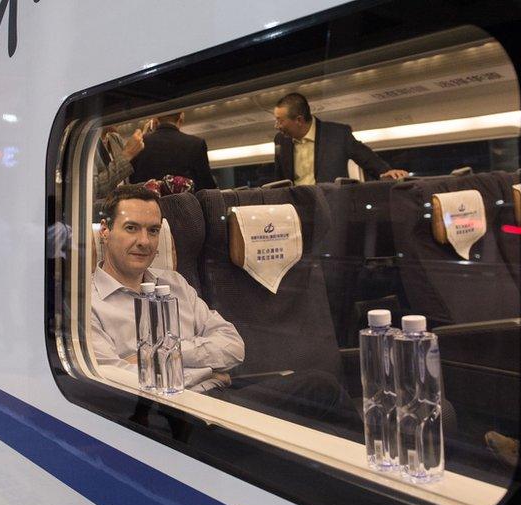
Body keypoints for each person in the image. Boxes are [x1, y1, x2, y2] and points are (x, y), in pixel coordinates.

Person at [90, 185, 361, 436]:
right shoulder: (89, 302)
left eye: (152, 230)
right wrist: (203, 367)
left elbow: (233, 346)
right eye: (131, 228)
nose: (144, 241)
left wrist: (161, 355)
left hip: (219, 398)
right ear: (105, 230)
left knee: (320, 386)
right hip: (171, 418)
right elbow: (117, 382)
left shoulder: (174, 283)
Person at [272, 92, 409, 184]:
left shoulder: (337, 135)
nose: (276, 126)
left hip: (331, 208)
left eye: (280, 120)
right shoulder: (281, 140)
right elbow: (280, 179)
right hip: (297, 209)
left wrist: (386, 172)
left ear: (299, 120)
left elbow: (366, 157)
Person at [130, 112, 217, 190]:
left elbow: (132, 181)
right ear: (181, 117)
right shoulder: (196, 143)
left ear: (155, 119)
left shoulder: (139, 144)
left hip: (147, 205)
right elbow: (206, 184)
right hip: (183, 205)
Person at [93, 126, 145, 199]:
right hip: (104, 208)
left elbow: (124, 181)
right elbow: (95, 190)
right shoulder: (89, 145)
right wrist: (127, 154)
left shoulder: (114, 138)